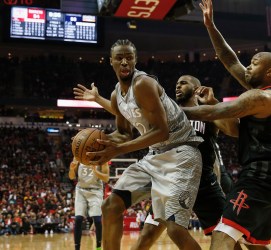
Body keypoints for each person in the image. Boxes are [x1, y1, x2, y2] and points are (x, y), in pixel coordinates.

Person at [74, 74, 238, 249]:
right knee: (147, 236)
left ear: (197, 87)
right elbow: (128, 112)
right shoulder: (167, 111)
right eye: (176, 83)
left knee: (225, 237)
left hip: (202, 182)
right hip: (169, 179)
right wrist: (98, 99)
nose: (177, 86)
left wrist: (213, 102)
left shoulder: (206, 110)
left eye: (183, 83)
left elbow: (232, 129)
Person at [181, 1, 271, 249]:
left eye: (254, 63)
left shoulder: (260, 97)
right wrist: (210, 26)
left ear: (270, 71)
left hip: (262, 174)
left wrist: (168, 109)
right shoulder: (258, 90)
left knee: (222, 234)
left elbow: (215, 112)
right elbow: (228, 59)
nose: (248, 66)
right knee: (255, 245)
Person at [75, 39, 203, 250]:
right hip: (155, 156)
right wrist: (99, 142)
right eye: (119, 58)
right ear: (111, 62)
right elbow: (123, 134)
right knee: (110, 206)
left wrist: (117, 150)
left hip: (182, 154)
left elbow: (161, 131)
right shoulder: (117, 94)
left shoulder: (143, 83)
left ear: (135, 60)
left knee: (175, 230)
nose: (124, 62)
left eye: (129, 57)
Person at [69, 157, 110, 250]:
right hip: (81, 190)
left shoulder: (102, 157)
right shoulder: (78, 156)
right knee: (78, 219)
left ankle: (98, 247)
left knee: (98, 220)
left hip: (95, 190)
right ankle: (77, 248)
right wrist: (72, 169)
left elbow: (106, 178)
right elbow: (71, 176)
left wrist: (95, 171)